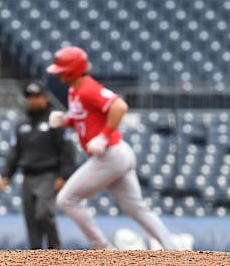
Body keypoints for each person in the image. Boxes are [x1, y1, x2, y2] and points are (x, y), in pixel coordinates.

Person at [46, 46, 178, 250]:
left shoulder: (88, 88)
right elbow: (84, 118)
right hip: (117, 154)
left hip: (111, 154)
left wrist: (103, 136)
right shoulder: (74, 90)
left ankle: (102, 246)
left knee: (67, 199)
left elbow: (119, 106)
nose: (59, 74)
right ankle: (173, 249)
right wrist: (67, 120)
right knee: (136, 208)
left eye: (62, 70)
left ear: (72, 70)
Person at [0, 82, 76, 249]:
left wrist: (64, 175)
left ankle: (55, 251)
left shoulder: (55, 120)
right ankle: (36, 255)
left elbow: (67, 149)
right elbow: (15, 151)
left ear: (44, 97)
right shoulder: (22, 124)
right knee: (31, 219)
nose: (33, 101)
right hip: (28, 176)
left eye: (37, 97)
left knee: (43, 213)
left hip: (48, 174)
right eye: (30, 97)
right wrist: (6, 175)